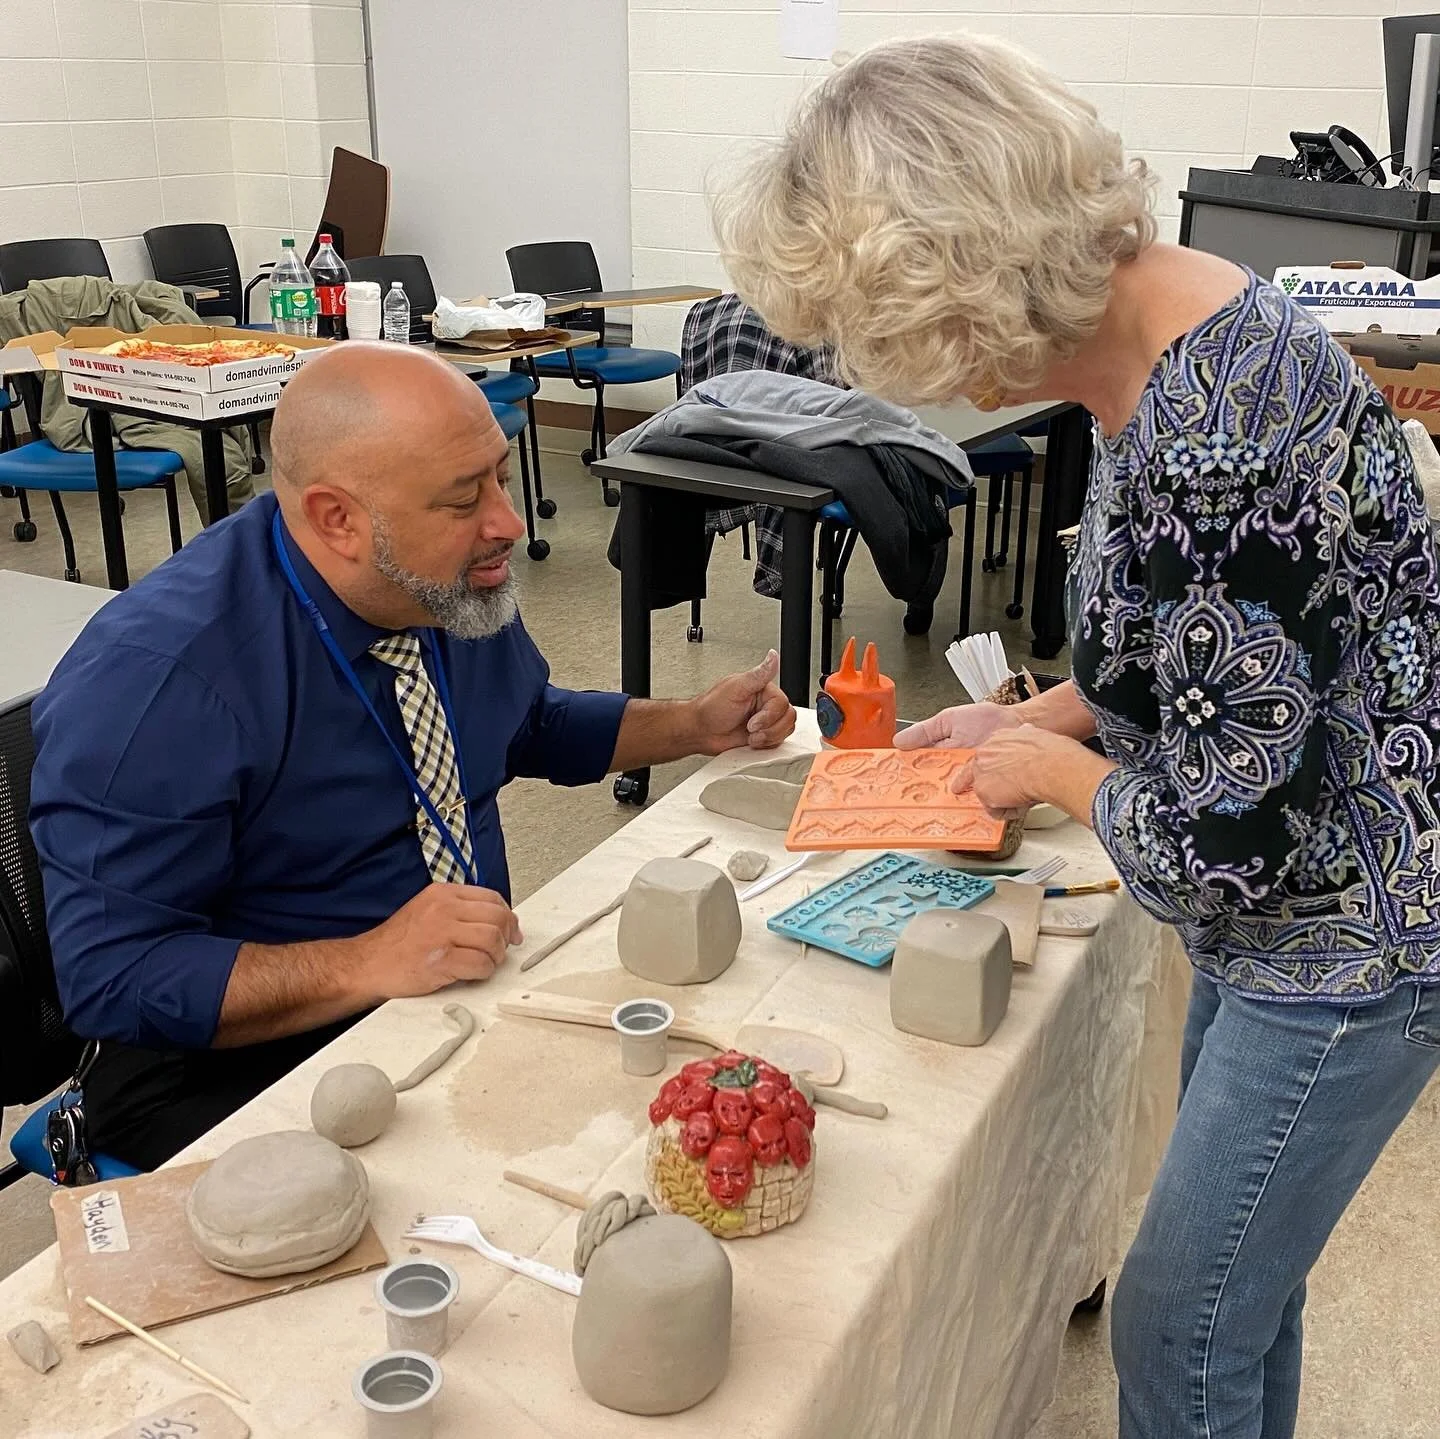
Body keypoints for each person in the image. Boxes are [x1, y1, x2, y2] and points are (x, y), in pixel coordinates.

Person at [715, 34, 1440, 1439]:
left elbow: (1227, 844)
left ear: (967, 276)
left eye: (905, 339)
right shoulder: (1159, 340)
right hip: (1298, 910)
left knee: (1181, 1321)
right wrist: (1039, 710)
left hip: (1352, 931)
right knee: (1244, 1291)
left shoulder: (1226, 434)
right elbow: (1198, 649)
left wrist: (1055, 772)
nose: (925, 384)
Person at [29, 344, 795, 1171]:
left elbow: (524, 723)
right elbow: (114, 976)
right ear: (337, 519)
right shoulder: (161, 680)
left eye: (502, 477)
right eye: (464, 499)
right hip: (238, 1067)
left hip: (447, 995)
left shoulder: (445, 585)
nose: (507, 523)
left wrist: (692, 724)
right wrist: (369, 960)